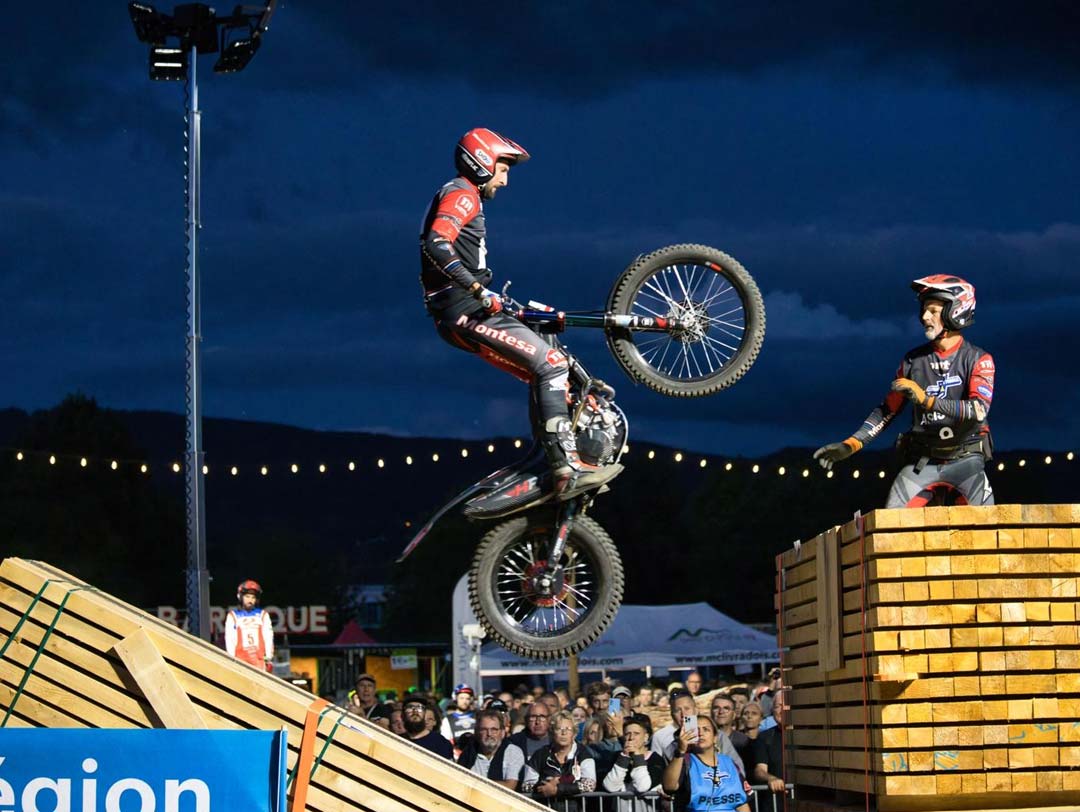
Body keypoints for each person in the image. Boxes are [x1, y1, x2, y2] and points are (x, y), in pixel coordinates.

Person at [419, 128, 621, 499]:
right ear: (482, 162)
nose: (505, 180)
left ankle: (549, 453)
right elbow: (436, 242)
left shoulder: (463, 195)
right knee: (551, 365)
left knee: (545, 350)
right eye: (503, 169)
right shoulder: (462, 195)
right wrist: (477, 289)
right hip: (465, 309)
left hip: (464, 308)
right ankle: (565, 468)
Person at [814, 275, 995, 507]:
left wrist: (926, 400)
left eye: (933, 310)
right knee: (892, 522)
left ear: (956, 311)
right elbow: (887, 410)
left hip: (967, 462)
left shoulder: (979, 359)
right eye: (924, 310)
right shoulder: (913, 361)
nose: (924, 317)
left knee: (986, 524)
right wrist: (851, 444)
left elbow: (978, 410)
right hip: (923, 462)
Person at [662, 715, 750, 812]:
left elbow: (742, 804)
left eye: (706, 729)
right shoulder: (684, 762)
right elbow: (669, 787)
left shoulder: (729, 762)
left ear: (715, 738)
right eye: (696, 730)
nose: (700, 733)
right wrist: (681, 751)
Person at [653, 691, 744, 777]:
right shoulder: (671, 747)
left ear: (696, 711)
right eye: (677, 710)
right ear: (672, 715)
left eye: (687, 709)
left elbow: (738, 769)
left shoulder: (717, 736)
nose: (683, 714)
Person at [522, 710, 597, 811]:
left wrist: (558, 788)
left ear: (574, 734)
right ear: (552, 733)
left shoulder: (584, 754)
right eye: (559, 729)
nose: (563, 733)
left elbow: (589, 785)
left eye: (568, 729)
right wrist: (545, 784)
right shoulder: (540, 755)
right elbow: (526, 786)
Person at [602, 714, 665, 812]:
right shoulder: (619, 757)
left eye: (636, 733)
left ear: (646, 737)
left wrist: (638, 758)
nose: (631, 737)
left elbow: (642, 787)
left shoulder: (655, 759)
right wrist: (624, 757)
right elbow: (610, 786)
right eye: (627, 734)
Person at [457, 709, 526, 788]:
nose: (489, 734)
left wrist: (475, 784)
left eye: (494, 730)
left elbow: (510, 786)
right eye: (484, 730)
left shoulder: (513, 752)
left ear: (502, 732)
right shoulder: (468, 753)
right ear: (476, 732)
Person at [224, 579, 274, 671]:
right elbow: (230, 639)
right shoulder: (233, 616)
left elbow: (268, 637)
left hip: (259, 662)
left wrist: (268, 658)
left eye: (253, 597)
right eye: (247, 596)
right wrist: (231, 659)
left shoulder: (263, 615)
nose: (250, 600)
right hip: (240, 662)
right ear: (240, 597)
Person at [751, 691, 786, 794]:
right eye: (777, 706)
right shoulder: (764, 737)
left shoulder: (809, 735)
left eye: (786, 705)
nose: (782, 710)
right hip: (777, 798)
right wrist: (771, 778)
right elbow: (760, 770)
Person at [710, 695, 752, 773]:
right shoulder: (702, 739)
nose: (721, 712)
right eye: (716, 708)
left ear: (734, 715)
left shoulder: (744, 741)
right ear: (711, 712)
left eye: (726, 708)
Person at [440, 682, 478, 751]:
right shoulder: (448, 720)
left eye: (467, 698)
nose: (464, 701)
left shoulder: (478, 717)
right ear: (455, 698)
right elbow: (445, 742)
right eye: (461, 698)